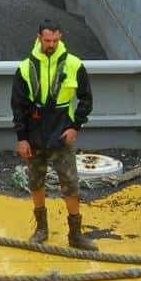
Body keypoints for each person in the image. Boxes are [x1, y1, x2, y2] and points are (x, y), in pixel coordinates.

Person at [13, 21, 94, 250]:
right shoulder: (25, 68)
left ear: (60, 37)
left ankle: (75, 234)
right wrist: (22, 138)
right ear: (39, 37)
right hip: (34, 132)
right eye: (47, 41)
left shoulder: (74, 64)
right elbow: (17, 105)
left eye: (55, 41)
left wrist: (75, 127)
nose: (51, 45)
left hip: (61, 132)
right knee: (36, 181)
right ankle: (41, 229)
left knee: (70, 183)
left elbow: (86, 98)